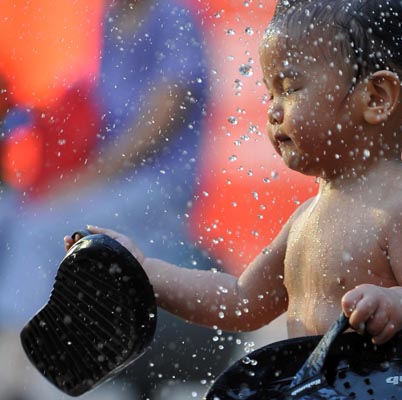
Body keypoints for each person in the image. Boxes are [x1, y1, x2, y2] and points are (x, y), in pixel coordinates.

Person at [66, 0, 402, 348]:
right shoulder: (305, 221)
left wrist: (401, 304)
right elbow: (239, 301)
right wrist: (142, 270)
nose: (273, 110)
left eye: (290, 88)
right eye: (270, 92)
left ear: (376, 97)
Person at [0, 1, 236, 399]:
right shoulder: (110, 17)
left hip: (154, 190)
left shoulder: (171, 16)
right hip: (107, 181)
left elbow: (160, 119)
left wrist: (85, 180)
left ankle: (26, 368)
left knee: (41, 229)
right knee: (11, 215)